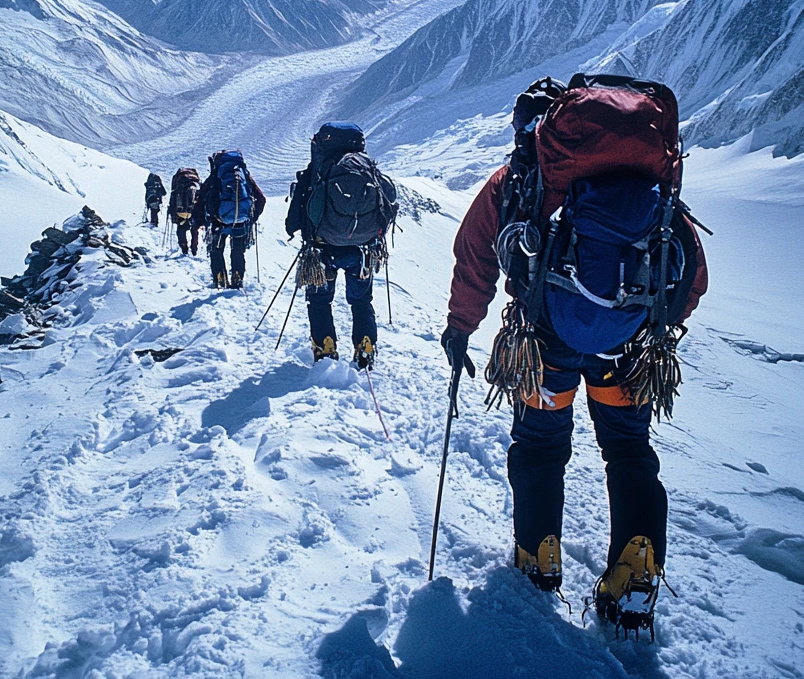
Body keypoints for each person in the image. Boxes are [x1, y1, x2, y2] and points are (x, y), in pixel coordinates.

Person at [440, 75, 707, 637]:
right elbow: (691, 270)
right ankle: (635, 571)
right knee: (629, 450)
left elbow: (475, 261)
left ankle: (539, 558)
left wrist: (460, 329)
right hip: (628, 349)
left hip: (544, 345)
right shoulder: (642, 180)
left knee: (539, 445)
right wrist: (647, 324)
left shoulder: (517, 180)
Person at [285, 122, 397, 369]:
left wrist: (296, 230)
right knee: (361, 301)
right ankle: (365, 347)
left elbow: (296, 214)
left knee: (319, 301)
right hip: (363, 251)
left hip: (321, 251)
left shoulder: (317, 170)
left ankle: (325, 348)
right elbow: (389, 200)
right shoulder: (368, 169)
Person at [192, 149, 265, 289]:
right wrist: (251, 218)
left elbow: (200, 199)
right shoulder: (244, 177)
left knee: (216, 250)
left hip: (218, 222)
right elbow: (261, 198)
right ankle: (237, 279)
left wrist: (199, 221)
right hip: (241, 222)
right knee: (238, 251)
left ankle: (220, 279)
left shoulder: (215, 177)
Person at [168, 167, 202, 255]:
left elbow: (173, 199)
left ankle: (184, 248)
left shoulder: (179, 184)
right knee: (194, 230)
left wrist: (172, 213)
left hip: (181, 211)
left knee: (181, 229)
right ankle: (194, 249)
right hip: (194, 212)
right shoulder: (196, 183)